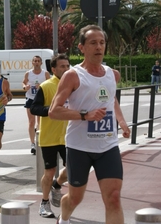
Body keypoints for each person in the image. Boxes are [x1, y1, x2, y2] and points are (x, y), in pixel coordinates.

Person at [48, 25, 130, 224]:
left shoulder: (113, 74)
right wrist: (85, 115)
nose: (99, 47)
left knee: (114, 197)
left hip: (108, 145)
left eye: (102, 43)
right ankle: (64, 218)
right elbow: (54, 111)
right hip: (79, 147)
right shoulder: (73, 76)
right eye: (93, 43)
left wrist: (121, 121)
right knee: (76, 197)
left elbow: (111, 100)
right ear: (81, 47)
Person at [30, 54, 70, 218]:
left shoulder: (75, 85)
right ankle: (44, 203)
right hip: (49, 137)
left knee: (73, 169)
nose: (66, 69)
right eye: (62, 66)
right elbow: (34, 109)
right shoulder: (46, 86)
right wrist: (50, 111)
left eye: (68, 66)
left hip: (69, 137)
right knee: (49, 171)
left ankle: (57, 184)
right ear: (53, 69)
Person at [22, 56, 50, 155]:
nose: (36, 63)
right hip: (30, 98)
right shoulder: (28, 73)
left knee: (40, 121)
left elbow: (49, 84)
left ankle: (39, 141)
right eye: (35, 61)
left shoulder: (45, 73)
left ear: (41, 63)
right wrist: (26, 87)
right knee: (31, 122)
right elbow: (24, 83)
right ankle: (32, 143)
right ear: (32, 62)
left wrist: (42, 86)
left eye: (38, 61)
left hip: (41, 99)